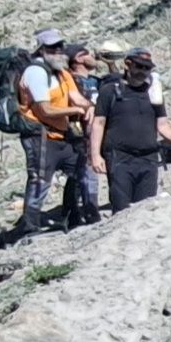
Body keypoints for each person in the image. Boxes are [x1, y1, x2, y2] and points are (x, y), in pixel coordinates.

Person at [17, 29, 91, 238]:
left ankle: (71, 216)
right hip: (39, 134)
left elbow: (76, 97)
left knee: (78, 171)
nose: (58, 51)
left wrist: (90, 107)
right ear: (42, 50)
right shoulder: (36, 72)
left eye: (60, 47)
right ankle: (29, 226)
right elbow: (44, 109)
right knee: (40, 179)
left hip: (61, 133)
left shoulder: (62, 72)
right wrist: (76, 111)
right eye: (52, 47)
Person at [87, 48, 171, 212]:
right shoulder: (110, 90)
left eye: (147, 68)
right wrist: (95, 155)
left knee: (145, 209)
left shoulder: (154, 94)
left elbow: (162, 125)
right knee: (121, 207)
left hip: (148, 158)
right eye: (139, 66)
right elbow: (98, 123)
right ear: (127, 64)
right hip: (119, 157)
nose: (143, 71)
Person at [64, 43, 102, 228]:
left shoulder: (95, 80)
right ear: (78, 59)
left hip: (98, 133)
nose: (92, 55)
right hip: (79, 134)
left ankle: (88, 210)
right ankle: (82, 213)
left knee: (91, 173)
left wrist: (111, 63)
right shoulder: (70, 81)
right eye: (87, 53)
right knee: (83, 174)